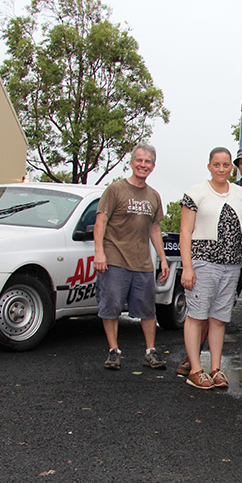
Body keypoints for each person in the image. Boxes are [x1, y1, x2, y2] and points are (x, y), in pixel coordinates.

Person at [179, 147, 242, 389]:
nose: (222, 169)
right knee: (197, 315)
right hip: (203, 261)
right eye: (217, 164)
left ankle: (215, 368)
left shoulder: (241, 194)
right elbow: (185, 232)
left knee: (219, 318)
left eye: (226, 165)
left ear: (232, 167)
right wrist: (187, 267)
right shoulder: (196, 193)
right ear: (209, 166)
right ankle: (195, 369)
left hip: (232, 265)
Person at [93, 143, 169, 370]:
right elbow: (101, 221)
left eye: (147, 162)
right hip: (115, 259)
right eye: (139, 160)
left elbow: (154, 229)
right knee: (112, 306)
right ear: (132, 162)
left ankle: (150, 351)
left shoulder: (154, 196)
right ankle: (114, 351)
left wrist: (162, 258)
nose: (143, 165)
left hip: (143, 262)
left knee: (148, 309)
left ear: (153, 166)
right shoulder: (115, 189)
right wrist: (99, 252)